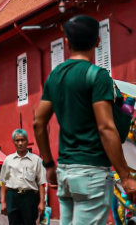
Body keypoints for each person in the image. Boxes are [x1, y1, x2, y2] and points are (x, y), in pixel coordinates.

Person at [34, 15, 136, 225]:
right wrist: (125, 176)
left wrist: (48, 165)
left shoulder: (55, 76)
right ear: (97, 41)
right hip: (92, 171)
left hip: (65, 172)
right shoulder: (97, 76)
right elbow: (106, 128)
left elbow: (38, 123)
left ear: (67, 42)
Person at [0, 128, 46, 225]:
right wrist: (3, 202)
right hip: (12, 196)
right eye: (17, 140)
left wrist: (42, 202)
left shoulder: (36, 160)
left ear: (27, 141)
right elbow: (3, 181)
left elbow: (41, 182)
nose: (20, 143)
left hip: (29, 198)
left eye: (22, 140)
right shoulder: (8, 160)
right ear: (14, 142)